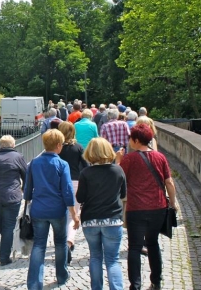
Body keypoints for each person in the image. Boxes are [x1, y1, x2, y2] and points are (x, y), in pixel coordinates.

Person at [117, 123, 178, 290]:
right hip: (158, 207)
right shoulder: (160, 157)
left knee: (135, 247)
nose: (128, 140)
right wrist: (172, 203)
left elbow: (120, 180)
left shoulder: (129, 159)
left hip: (136, 208)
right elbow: (169, 183)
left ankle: (135, 285)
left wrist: (117, 161)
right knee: (153, 243)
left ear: (136, 140)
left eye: (130, 138)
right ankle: (156, 282)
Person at [24, 129, 80, 289]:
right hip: (57, 210)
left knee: (39, 244)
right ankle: (62, 275)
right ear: (58, 145)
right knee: (60, 242)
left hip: (39, 209)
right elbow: (67, 190)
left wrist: (27, 205)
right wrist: (74, 214)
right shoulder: (62, 164)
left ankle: (34, 283)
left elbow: (27, 189)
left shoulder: (34, 163)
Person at [76, 137, 126, 290]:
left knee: (95, 257)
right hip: (112, 219)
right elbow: (123, 194)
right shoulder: (118, 170)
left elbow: (80, 198)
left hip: (91, 220)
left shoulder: (86, 173)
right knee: (112, 259)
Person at [0, 135, 27, 266]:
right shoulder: (18, 157)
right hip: (13, 196)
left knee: (2, 218)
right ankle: (4, 257)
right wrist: (24, 188)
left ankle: (4, 240)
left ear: (1, 146)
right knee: (8, 226)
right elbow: (26, 174)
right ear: (13, 145)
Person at [58, 121, 89, 265]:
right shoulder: (77, 147)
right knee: (73, 215)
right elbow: (86, 166)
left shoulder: (57, 149)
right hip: (75, 182)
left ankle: (61, 240)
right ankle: (69, 242)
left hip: (58, 183)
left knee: (61, 215)